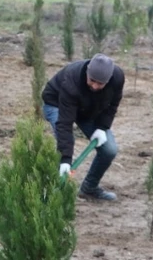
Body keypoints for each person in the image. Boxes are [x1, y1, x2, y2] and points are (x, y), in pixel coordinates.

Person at [41, 53, 124, 201]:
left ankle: (89, 189)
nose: (95, 86)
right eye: (92, 81)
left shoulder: (117, 78)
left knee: (109, 150)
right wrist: (66, 159)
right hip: (57, 104)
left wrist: (102, 127)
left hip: (87, 110)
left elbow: (113, 105)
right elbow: (65, 124)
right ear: (87, 72)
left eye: (101, 84)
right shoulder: (71, 80)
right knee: (63, 146)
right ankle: (51, 194)